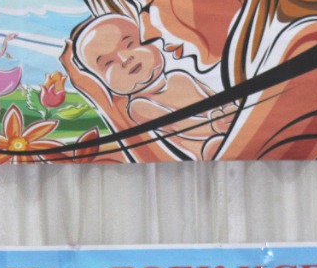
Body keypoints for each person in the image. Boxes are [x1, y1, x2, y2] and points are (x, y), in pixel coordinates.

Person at [62, 0, 317, 162]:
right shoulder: (141, 106)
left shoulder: (312, 48)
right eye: (107, 63)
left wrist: (108, 104)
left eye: (147, 4)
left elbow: (231, 157)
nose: (148, 34)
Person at [69, 13, 235, 160]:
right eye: (108, 63)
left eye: (130, 44)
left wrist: (230, 110)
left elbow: (217, 99)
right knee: (218, 146)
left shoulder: (180, 77)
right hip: (206, 147)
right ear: (100, 80)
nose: (125, 59)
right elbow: (178, 125)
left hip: (224, 125)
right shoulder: (139, 106)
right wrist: (214, 125)